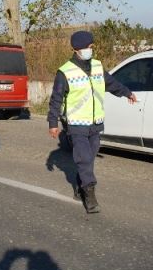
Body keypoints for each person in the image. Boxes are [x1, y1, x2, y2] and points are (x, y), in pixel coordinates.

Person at [47, 30, 137, 214]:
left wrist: (127, 93)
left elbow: (111, 84)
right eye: (89, 46)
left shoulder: (97, 66)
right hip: (76, 124)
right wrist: (53, 123)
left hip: (95, 123)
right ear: (78, 48)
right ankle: (90, 196)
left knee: (90, 157)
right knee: (84, 158)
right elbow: (56, 99)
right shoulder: (65, 72)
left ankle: (80, 186)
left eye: (91, 46)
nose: (91, 49)